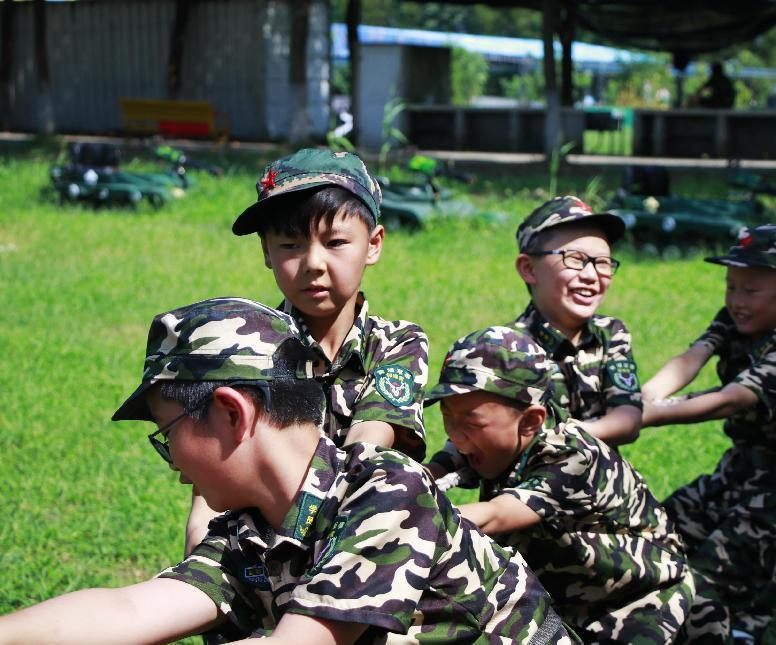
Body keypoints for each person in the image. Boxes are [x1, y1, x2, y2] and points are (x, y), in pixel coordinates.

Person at [0, 297, 578, 644]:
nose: (172, 462)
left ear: (231, 412)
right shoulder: (251, 531)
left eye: (168, 433)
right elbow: (130, 609)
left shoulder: (388, 491)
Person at [185, 148, 430, 553]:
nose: (313, 263)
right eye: (290, 245)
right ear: (266, 251)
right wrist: (199, 567)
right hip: (257, 554)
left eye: (335, 242)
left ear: (373, 244)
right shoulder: (241, 349)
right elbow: (208, 498)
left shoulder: (396, 344)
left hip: (365, 551)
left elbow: (365, 454)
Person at [425, 324, 699, 644]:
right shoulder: (486, 440)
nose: (456, 435)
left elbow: (496, 514)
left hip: (639, 602)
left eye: (472, 422)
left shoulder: (573, 457)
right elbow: (434, 469)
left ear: (530, 421)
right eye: (448, 416)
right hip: (559, 599)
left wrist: (411, 520)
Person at [641, 225, 776, 644]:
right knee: (658, 535)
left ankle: (734, 631)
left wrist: (648, 417)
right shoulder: (736, 317)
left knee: (713, 580)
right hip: (742, 465)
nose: (737, 301)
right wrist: (645, 396)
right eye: (731, 287)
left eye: (752, 290)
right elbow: (695, 355)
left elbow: (729, 400)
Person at [427, 196, 642, 484]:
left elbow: (627, 421)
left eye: (603, 263)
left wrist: (545, 435)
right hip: (519, 502)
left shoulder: (611, 333)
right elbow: (471, 431)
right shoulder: (504, 349)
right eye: (575, 260)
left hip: (599, 498)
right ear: (528, 268)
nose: (591, 275)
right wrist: (431, 474)